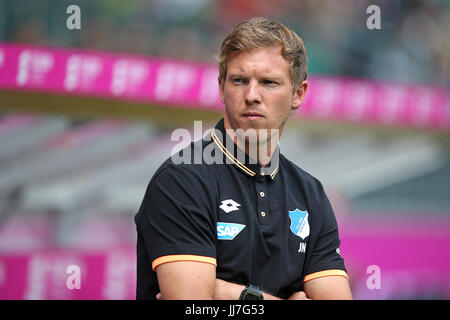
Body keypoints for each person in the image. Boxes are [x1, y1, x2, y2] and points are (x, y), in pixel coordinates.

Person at [134, 17, 352, 300]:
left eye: (268, 82)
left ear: (298, 94)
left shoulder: (310, 193)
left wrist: (225, 291)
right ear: (221, 87)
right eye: (239, 80)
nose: (251, 95)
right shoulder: (182, 180)